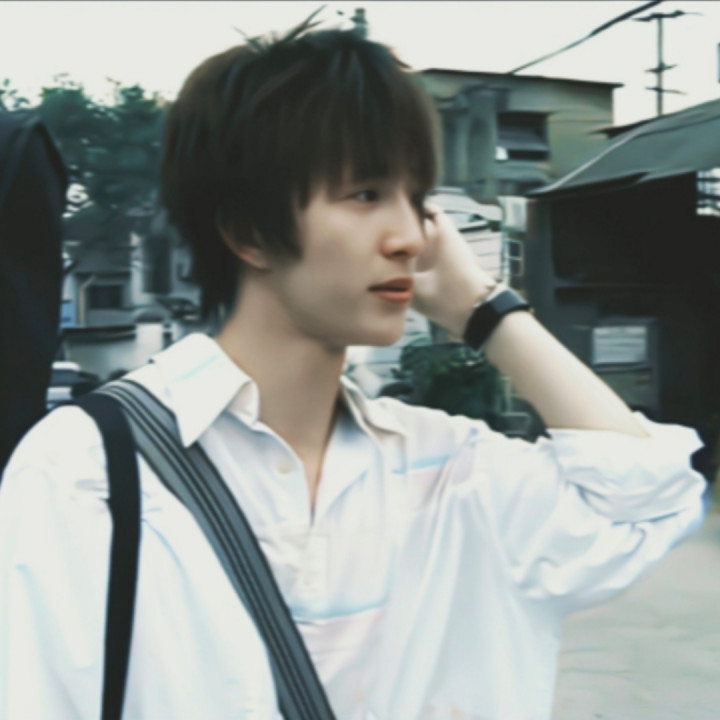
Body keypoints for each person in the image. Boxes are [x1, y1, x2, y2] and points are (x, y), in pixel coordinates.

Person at [0, 22, 708, 720]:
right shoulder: (87, 471)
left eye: (417, 200)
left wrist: (485, 311)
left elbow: (648, 496)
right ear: (248, 229)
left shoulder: (449, 473)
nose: (411, 238)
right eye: (367, 194)